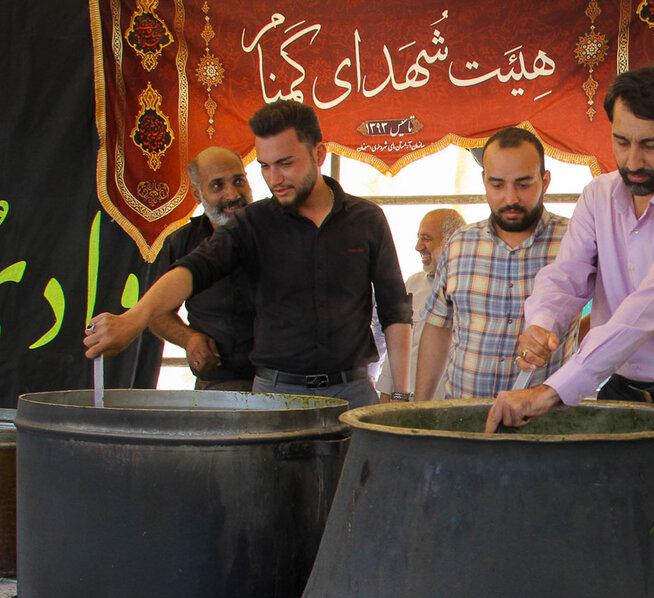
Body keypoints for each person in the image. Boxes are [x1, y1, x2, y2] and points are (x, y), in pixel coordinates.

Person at [485, 67, 654, 562]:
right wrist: (542, 322)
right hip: (624, 393)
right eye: (621, 141)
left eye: (650, 144)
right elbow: (566, 277)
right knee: (616, 549)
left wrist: (552, 391)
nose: (633, 161)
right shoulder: (597, 196)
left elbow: (642, 314)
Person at [84, 101, 413, 409]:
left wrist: (400, 393)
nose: (274, 179)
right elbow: (194, 269)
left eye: (285, 164)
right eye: (265, 167)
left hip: (353, 391)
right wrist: (133, 318)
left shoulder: (366, 219)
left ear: (319, 153)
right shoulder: (253, 223)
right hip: (276, 393)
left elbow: (394, 308)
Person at [414, 128, 579, 400]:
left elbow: (605, 318)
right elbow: (438, 328)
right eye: (497, 185)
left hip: (545, 425)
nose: (510, 198)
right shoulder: (460, 244)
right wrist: (420, 408)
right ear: (484, 181)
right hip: (463, 421)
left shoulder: (574, 242)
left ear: (545, 180)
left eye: (524, 185)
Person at [146, 147, 256, 391]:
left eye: (239, 181)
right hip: (218, 383)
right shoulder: (183, 243)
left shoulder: (280, 233)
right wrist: (189, 339)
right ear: (197, 193)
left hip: (283, 383)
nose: (232, 194)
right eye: (217, 186)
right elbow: (156, 314)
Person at [378, 208, 464, 401]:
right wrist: (385, 400)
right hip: (408, 406)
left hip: (449, 409)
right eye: (418, 237)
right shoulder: (412, 285)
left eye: (426, 238)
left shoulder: (471, 289)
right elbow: (397, 347)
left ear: (452, 241)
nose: (418, 246)